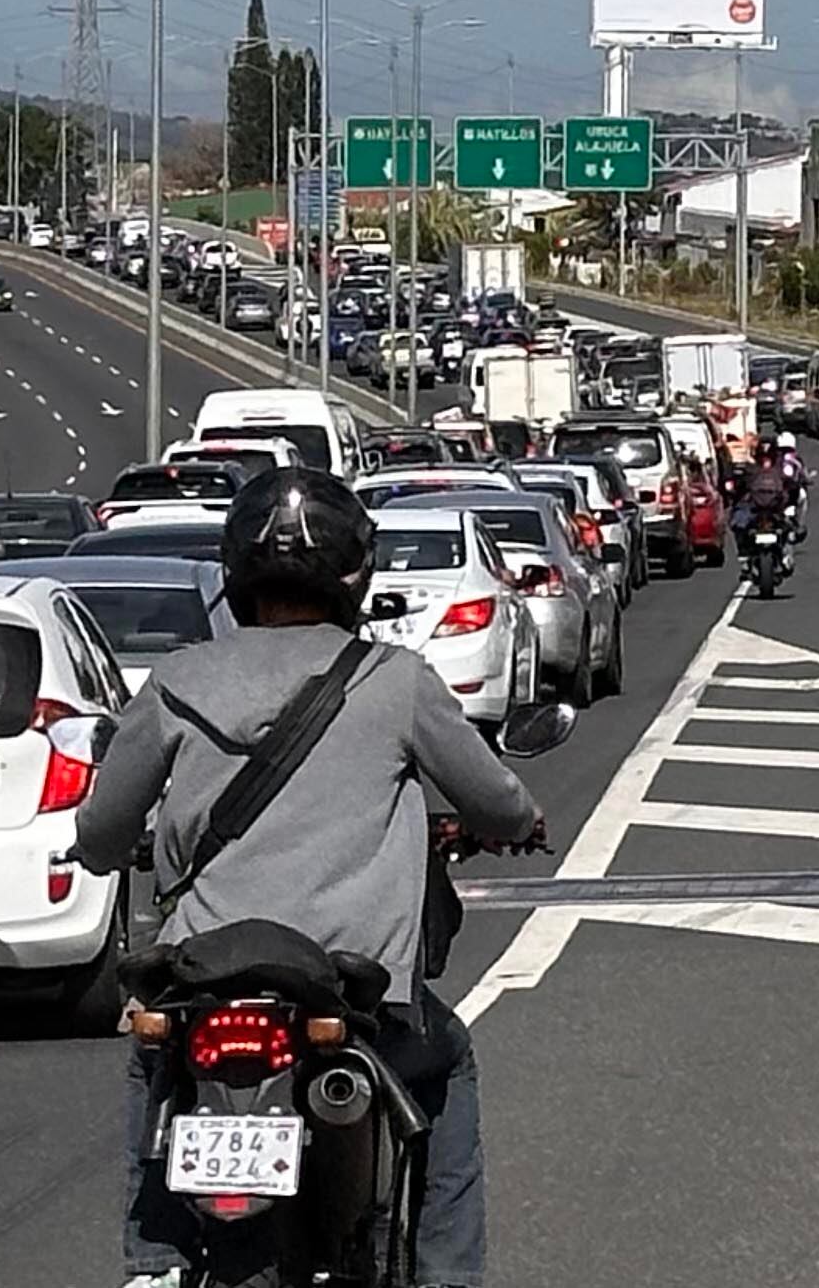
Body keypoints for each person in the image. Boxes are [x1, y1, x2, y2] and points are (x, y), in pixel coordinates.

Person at [75, 467, 541, 1288]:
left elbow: (104, 830)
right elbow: (497, 802)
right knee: (447, 1066)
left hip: (203, 982)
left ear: (233, 574)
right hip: (349, 991)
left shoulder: (177, 682)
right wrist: (516, 825)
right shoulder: (392, 680)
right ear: (354, 575)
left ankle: (153, 1264)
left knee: (156, 1070)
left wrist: (109, 850)